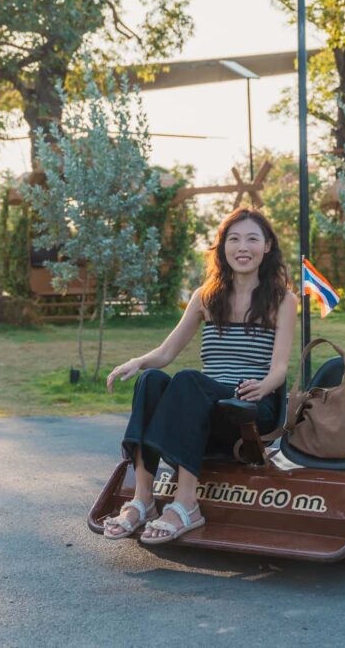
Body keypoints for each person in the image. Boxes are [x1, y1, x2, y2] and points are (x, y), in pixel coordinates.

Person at [104, 207, 296, 543]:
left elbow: (279, 369)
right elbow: (166, 353)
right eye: (234, 239)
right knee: (151, 380)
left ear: (267, 246)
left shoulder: (283, 299)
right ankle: (143, 499)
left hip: (249, 406)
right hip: (205, 405)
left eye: (252, 239)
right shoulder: (205, 297)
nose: (243, 247)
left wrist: (264, 385)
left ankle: (186, 504)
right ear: (223, 247)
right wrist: (138, 362)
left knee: (188, 380)